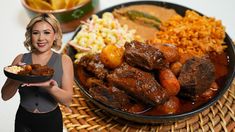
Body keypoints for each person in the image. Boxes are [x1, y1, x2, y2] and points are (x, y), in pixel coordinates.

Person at [1, 13, 74, 132]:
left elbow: (67, 100)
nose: (41, 38)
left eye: (47, 32)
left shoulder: (64, 60)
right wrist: (18, 77)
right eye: (36, 33)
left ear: (55, 35)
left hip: (51, 121)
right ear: (30, 35)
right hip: (23, 120)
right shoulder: (20, 59)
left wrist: (50, 88)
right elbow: (5, 96)